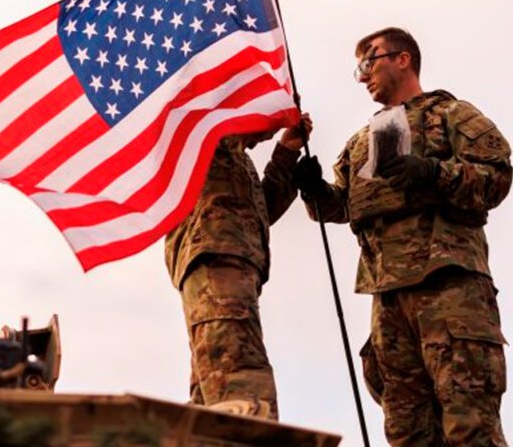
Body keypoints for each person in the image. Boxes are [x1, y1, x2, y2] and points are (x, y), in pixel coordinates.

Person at [294, 27, 511, 445]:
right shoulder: (360, 143)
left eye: (369, 61)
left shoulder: (451, 115)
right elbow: (338, 206)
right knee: (406, 431)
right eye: (358, 67)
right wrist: (314, 190)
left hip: (449, 287)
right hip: (388, 299)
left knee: (470, 424)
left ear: (403, 58)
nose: (363, 75)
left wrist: (433, 172)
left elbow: (496, 178)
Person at [165, 114, 311, 420]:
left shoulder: (236, 156)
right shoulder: (205, 126)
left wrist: (286, 154)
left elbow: (254, 214)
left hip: (227, 262)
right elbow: (244, 119)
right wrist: (278, 111)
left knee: (215, 384)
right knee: (238, 378)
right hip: (215, 260)